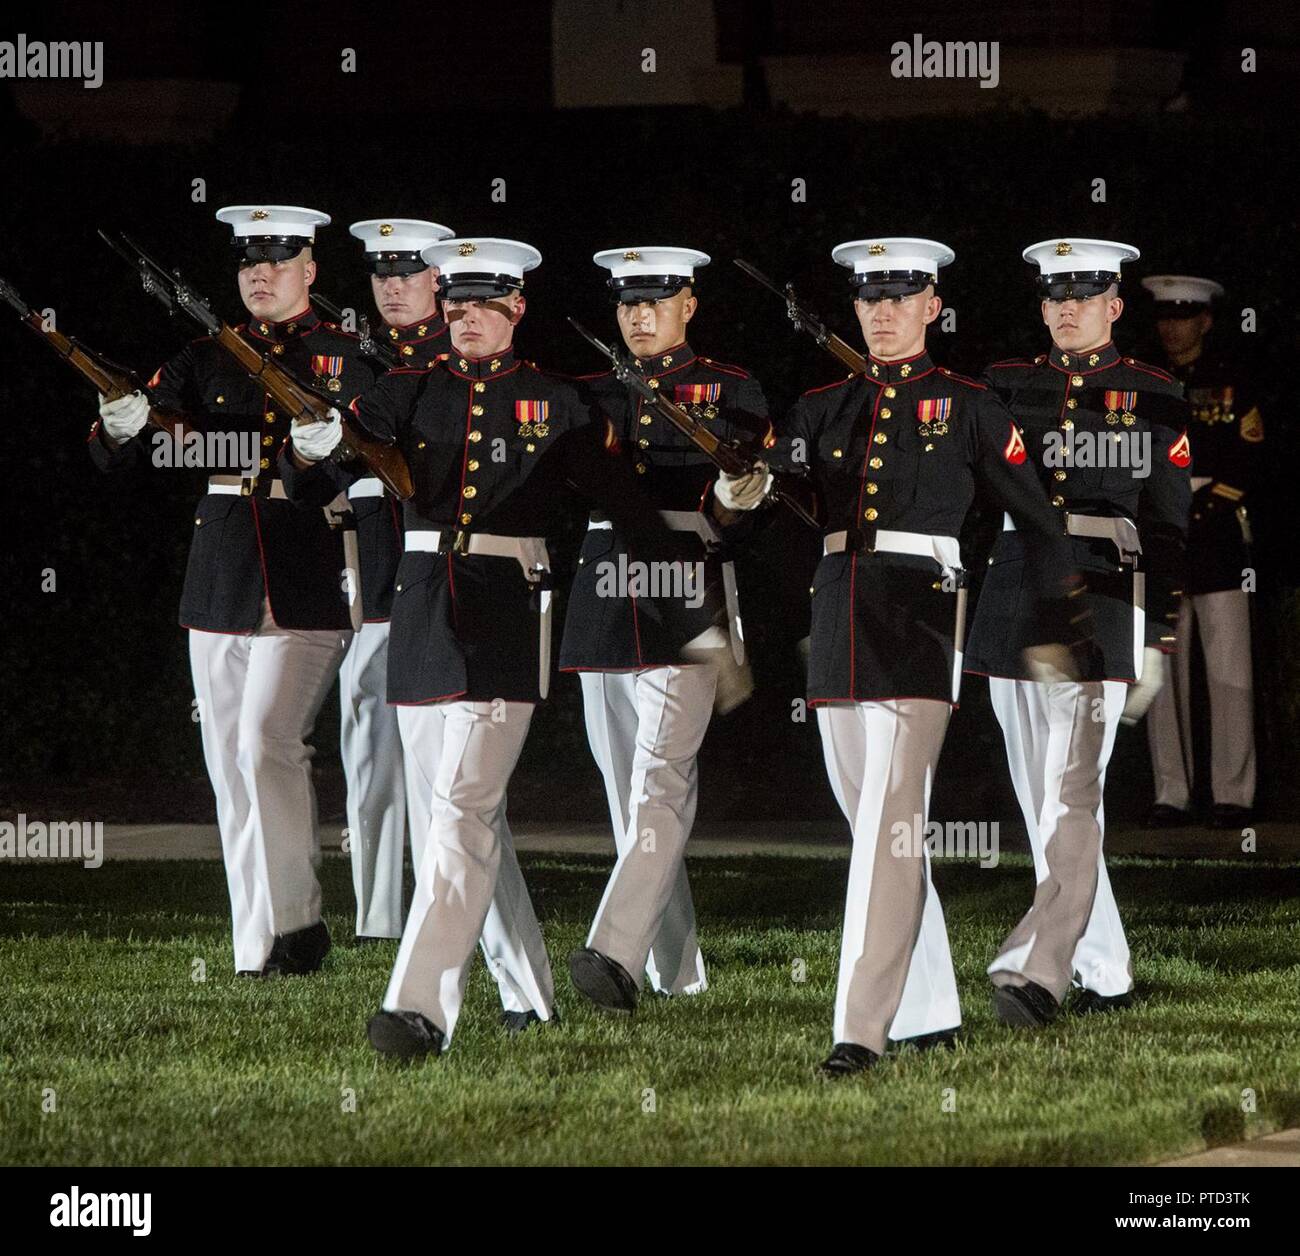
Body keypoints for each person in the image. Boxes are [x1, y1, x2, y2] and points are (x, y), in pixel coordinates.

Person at [280, 237, 675, 1058]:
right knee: (455, 818)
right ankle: (529, 992)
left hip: (506, 610)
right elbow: (316, 474)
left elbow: (626, 509)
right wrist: (310, 447)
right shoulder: (404, 391)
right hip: (421, 610)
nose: (465, 319)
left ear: (516, 309)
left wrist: (693, 613)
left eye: (484, 304)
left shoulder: (557, 400)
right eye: (454, 304)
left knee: (459, 811)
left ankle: (418, 1005)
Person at [727, 237, 1082, 1077]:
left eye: (899, 298)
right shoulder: (821, 406)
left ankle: (860, 1028)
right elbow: (769, 496)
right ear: (854, 310)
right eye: (868, 300)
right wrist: (735, 490)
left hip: (921, 618)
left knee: (891, 823)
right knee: (877, 834)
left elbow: (1037, 521)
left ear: (932, 305)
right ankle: (929, 1010)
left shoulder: (969, 405)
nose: (882, 314)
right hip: (840, 618)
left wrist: (1054, 622)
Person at [91, 205, 372, 976]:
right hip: (219, 573)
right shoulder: (204, 356)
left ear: (309, 270)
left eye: (277, 260)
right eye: (249, 261)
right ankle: (258, 946)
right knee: (229, 766)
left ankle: (299, 920)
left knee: (265, 744)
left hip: (304, 567)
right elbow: (139, 445)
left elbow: (372, 465)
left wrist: (322, 456)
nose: (259, 272)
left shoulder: (347, 358)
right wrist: (117, 424)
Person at [966, 238, 1192, 1024]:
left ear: (1114, 305)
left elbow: (1168, 525)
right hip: (1010, 598)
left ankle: (1044, 963)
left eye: (1083, 295)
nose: (1066, 308)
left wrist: (1158, 634)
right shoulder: (1002, 385)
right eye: (1055, 295)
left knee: (1072, 795)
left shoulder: (1153, 392)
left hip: (1100, 600)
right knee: (1041, 801)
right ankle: (1107, 969)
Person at [561, 246, 772, 1013]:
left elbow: (749, 514)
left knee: (660, 785)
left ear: (689, 303)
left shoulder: (731, 388)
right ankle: (676, 970)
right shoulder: (586, 392)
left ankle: (612, 951)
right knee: (632, 802)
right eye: (626, 305)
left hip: (688, 595)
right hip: (603, 600)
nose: (638, 318)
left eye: (654, 302)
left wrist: (739, 496)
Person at [339, 218, 454, 941]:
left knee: (440, 758)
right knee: (367, 742)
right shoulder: (358, 361)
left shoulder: (459, 361)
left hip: (434, 572)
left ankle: (442, 898)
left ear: (439, 282)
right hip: (373, 572)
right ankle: (376, 915)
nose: (392, 288)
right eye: (382, 275)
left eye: (407, 274)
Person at [1140, 274, 1263, 830]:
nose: (1173, 327)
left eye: (1184, 316)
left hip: (1215, 536)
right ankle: (1172, 792)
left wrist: (1204, 508)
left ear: (1206, 320)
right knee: (1160, 672)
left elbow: (1251, 459)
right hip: (1161, 537)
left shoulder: (1231, 381)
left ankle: (1234, 793)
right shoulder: (1143, 382)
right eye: (1165, 317)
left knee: (1230, 670)